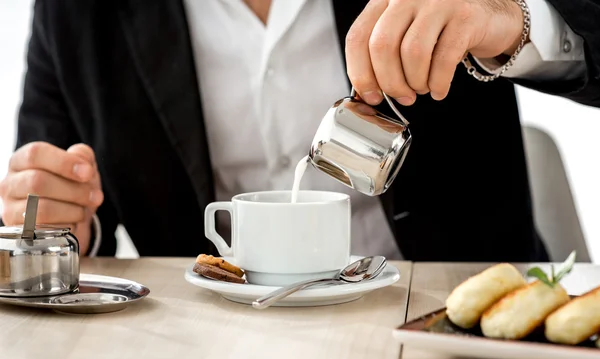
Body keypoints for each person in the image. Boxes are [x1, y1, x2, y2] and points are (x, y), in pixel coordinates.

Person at [0, 0, 598, 262]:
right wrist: (66, 220)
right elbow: (50, 191)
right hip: (211, 349)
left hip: (450, 325)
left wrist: (514, 17)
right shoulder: (74, 12)